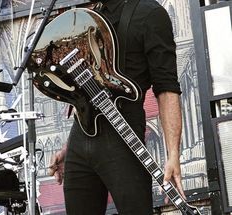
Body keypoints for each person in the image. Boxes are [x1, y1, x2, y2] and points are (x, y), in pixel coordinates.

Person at [49, 0, 186, 214]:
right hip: (80, 139)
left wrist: (173, 155)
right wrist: (70, 148)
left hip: (124, 137)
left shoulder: (150, 14)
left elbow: (166, 87)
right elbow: (87, 90)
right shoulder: (91, 16)